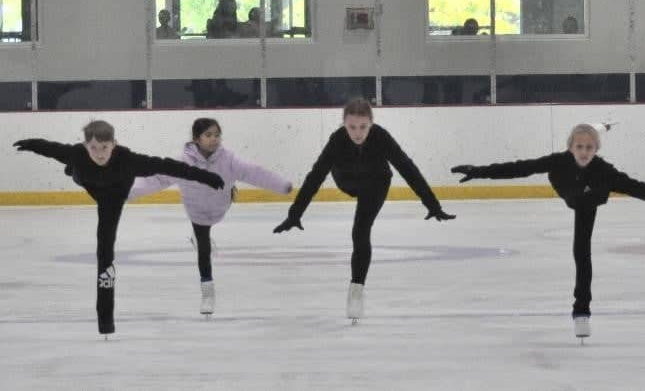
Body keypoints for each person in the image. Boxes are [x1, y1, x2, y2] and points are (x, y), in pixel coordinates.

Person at [451, 123, 645, 340]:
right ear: (570, 147)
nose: (584, 152)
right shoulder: (558, 161)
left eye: (589, 148)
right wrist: (479, 172)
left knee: (581, 252)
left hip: (590, 197)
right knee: (579, 219)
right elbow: (518, 168)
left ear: (596, 149)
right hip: (566, 185)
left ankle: (581, 311)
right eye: (579, 147)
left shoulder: (604, 171)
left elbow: (641, 189)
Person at [13, 121, 224, 337]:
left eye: (104, 147)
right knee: (74, 169)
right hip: (86, 179)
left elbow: (169, 166)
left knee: (105, 252)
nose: (100, 153)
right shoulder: (77, 154)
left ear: (114, 144)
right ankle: (73, 171)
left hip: (112, 197)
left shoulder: (128, 160)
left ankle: (106, 325)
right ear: (86, 146)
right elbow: (50, 148)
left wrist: (206, 177)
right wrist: (30, 144)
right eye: (93, 148)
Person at [273, 98, 455, 324]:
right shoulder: (337, 141)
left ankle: (356, 290)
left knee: (360, 232)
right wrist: (295, 213)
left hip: (375, 184)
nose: (357, 133)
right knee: (336, 176)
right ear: (343, 124)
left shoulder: (381, 137)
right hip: (346, 180)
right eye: (352, 127)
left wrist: (432, 203)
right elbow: (316, 176)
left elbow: (407, 168)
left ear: (371, 124)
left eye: (363, 127)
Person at [127, 118, 292, 318]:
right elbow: (157, 179)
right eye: (208, 135)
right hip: (197, 211)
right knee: (204, 247)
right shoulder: (183, 161)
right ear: (197, 139)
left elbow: (254, 172)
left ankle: (199, 241)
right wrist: (126, 192)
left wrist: (281, 185)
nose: (214, 139)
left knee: (204, 238)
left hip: (220, 206)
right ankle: (208, 291)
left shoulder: (229, 160)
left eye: (217, 135)